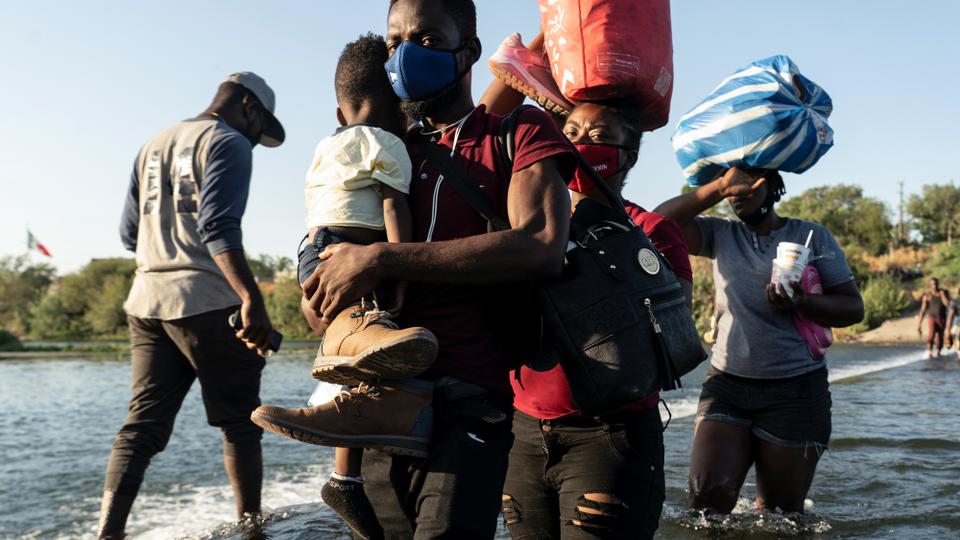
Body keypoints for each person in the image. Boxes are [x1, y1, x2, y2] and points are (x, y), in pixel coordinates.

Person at [267, 1, 575, 537]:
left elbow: (543, 245)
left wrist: (382, 258)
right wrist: (324, 295)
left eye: (428, 39)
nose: (406, 52)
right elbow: (334, 258)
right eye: (395, 41)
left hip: (471, 397)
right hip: (386, 405)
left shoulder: (517, 130)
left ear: (469, 52)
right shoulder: (385, 146)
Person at [480, 36, 691, 538]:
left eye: (597, 133)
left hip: (611, 437)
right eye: (568, 130)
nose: (578, 141)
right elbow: (477, 131)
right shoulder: (526, 226)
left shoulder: (652, 231)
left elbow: (673, 337)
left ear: (629, 152)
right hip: (522, 433)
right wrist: (540, 46)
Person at [250, 34, 440, 540]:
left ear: (340, 112)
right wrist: (403, 267)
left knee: (357, 362)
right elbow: (393, 207)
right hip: (355, 255)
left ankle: (344, 477)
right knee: (374, 336)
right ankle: (355, 454)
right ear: (402, 106)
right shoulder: (390, 143)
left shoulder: (326, 145)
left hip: (315, 251)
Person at [100, 72, 285, 539]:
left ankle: (109, 532)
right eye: (257, 130)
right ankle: (250, 529)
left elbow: (128, 234)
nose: (254, 143)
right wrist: (251, 298)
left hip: (145, 301)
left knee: (141, 427)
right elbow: (218, 225)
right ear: (249, 106)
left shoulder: (153, 142)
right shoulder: (228, 142)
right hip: (205, 301)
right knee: (240, 423)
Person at [655, 167, 864, 514]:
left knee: (779, 514)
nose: (737, 194)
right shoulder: (719, 234)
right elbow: (657, 222)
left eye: (746, 184)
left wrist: (803, 302)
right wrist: (719, 186)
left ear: (770, 184)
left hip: (796, 391)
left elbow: (853, 308)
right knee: (705, 505)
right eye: (731, 189)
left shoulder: (811, 236)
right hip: (727, 384)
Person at [918, 277, 950, 358]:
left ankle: (938, 352)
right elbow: (923, 310)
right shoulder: (927, 295)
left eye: (935, 284)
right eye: (932, 284)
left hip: (942, 318)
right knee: (931, 334)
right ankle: (930, 351)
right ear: (930, 285)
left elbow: (947, 304)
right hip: (932, 317)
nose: (934, 286)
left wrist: (942, 295)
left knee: (940, 336)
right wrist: (919, 324)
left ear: (938, 284)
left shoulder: (943, 293)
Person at [945, 287, 960, 353]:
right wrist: (948, 332)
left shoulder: (954, 301)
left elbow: (950, 317)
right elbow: (950, 317)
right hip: (957, 323)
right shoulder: (955, 301)